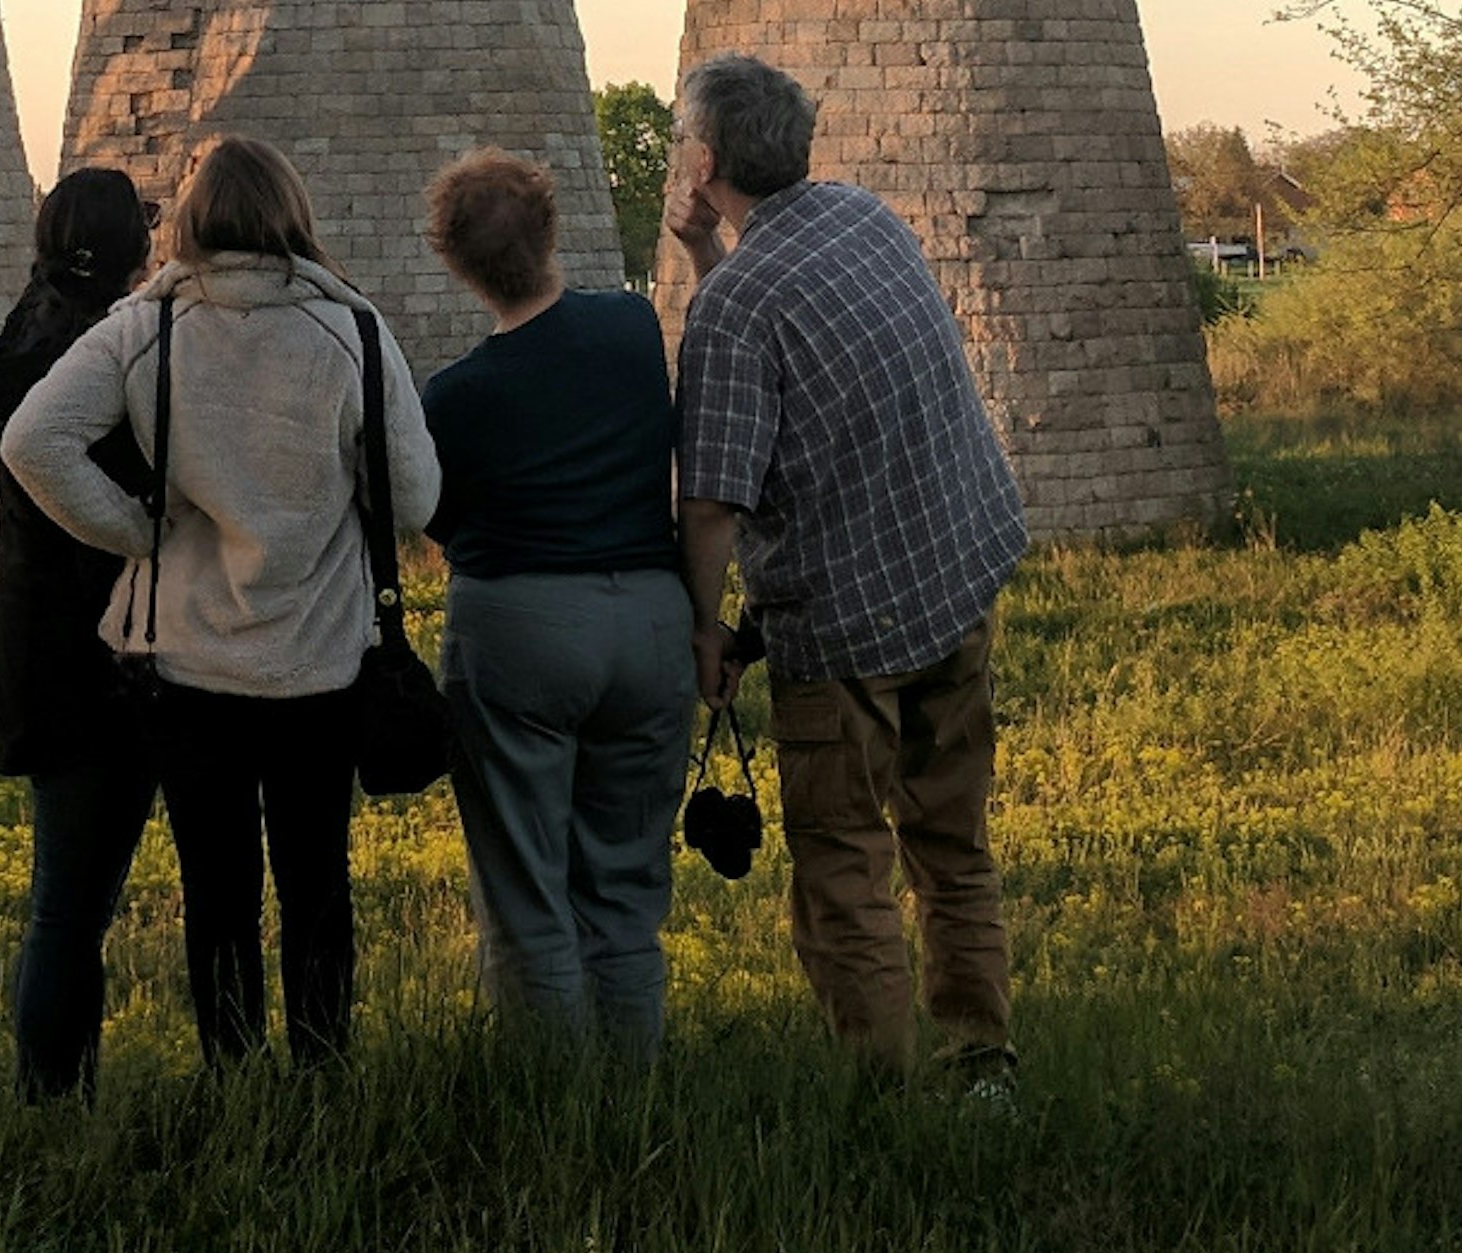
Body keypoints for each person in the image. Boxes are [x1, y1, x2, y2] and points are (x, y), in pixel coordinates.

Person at [3, 136, 439, 1069]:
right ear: (292, 216)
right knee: (317, 881)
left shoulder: (145, 327)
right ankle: (322, 1067)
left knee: (218, 888)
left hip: (189, 661)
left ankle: (232, 1071)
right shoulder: (352, 331)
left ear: (194, 219)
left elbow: (34, 441)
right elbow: (417, 494)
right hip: (319, 658)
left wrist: (132, 529)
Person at [668, 54, 1027, 1091]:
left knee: (841, 864)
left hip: (845, 625)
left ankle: (880, 1096)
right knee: (951, 841)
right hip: (953, 572)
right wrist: (707, 254)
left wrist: (704, 629)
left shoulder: (737, 305)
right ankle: (980, 1065)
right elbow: (774, 348)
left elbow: (713, 499)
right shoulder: (865, 219)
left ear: (703, 158)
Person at [417, 149, 691, 1054]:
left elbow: (442, 524)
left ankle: (552, 1108)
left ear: (454, 263)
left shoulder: (454, 397)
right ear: (550, 231)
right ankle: (634, 1088)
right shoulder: (625, 328)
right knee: (623, 888)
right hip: (651, 621)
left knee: (526, 885)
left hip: (521, 630)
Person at [0, 165, 159, 1098]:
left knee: (67, 897)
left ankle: (56, 1087)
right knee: (71, 907)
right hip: (101, 652)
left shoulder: (25, 328)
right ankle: (50, 1095)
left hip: (29, 638)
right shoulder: (100, 356)